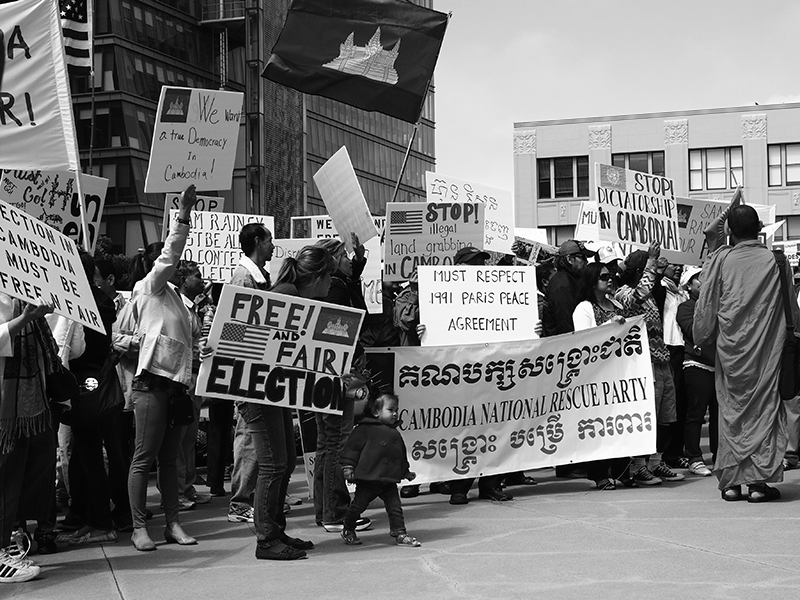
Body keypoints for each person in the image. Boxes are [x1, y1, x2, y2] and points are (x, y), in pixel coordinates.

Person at [232, 245, 334, 560]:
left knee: (286, 462)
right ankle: (266, 540)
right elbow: (243, 333)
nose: (333, 282)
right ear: (318, 277)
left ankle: (276, 530)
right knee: (273, 464)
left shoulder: (295, 296)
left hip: (272, 390)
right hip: (257, 391)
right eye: (330, 275)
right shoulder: (285, 296)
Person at [694, 205, 798, 502]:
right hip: (767, 350)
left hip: (730, 353)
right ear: (761, 228)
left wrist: (702, 337)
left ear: (729, 231)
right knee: (764, 412)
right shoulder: (777, 260)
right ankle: (757, 484)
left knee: (730, 414)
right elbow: (792, 307)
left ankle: (730, 483)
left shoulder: (721, 260)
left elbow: (705, 307)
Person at [116, 184, 199, 551]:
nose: (181, 267)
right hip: (151, 383)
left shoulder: (181, 300)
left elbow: (190, 341)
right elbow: (170, 253)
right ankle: (138, 527)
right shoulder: (150, 287)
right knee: (144, 457)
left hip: (178, 386)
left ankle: (172, 524)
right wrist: (183, 216)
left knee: (169, 460)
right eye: (178, 265)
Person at [312, 236, 373, 531]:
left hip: (328, 371)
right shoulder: (335, 288)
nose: (350, 260)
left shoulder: (334, 284)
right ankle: (335, 512)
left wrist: (358, 266)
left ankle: (325, 509)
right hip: (339, 371)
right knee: (338, 441)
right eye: (346, 256)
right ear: (333, 260)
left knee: (327, 442)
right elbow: (351, 322)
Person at [614, 243, 684, 486]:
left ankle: (656, 461)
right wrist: (651, 264)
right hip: (644, 363)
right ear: (638, 270)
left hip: (661, 359)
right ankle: (639, 465)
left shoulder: (649, 292)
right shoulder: (622, 293)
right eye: (647, 267)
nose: (653, 271)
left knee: (666, 415)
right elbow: (636, 298)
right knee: (649, 415)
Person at [0, 295, 56, 583]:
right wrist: (24, 320)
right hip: (6, 409)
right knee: (4, 480)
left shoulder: (20, 293)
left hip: (23, 407)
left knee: (16, 479)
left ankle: (6, 544)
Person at [572, 262, 637, 490]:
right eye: (603, 277)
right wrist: (610, 326)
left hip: (619, 373)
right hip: (597, 377)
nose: (609, 280)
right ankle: (599, 474)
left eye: (610, 276)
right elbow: (583, 343)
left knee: (620, 423)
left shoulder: (616, 303)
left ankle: (621, 470)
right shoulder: (584, 309)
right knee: (600, 425)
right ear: (591, 282)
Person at [227, 223, 273, 526]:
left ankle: (257, 495)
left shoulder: (259, 277)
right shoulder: (244, 278)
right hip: (248, 367)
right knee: (249, 434)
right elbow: (238, 326)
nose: (272, 247)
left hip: (258, 365)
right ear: (258, 242)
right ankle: (241, 502)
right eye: (270, 241)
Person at [339, 392, 421, 547]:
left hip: (388, 480)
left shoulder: (393, 432)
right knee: (358, 506)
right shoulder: (364, 429)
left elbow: (398, 455)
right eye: (390, 410)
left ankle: (400, 533)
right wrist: (348, 466)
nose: (395, 413)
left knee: (395, 508)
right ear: (376, 412)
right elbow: (352, 449)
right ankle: (348, 528)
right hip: (369, 479)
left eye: (396, 410)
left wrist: (405, 472)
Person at [675, 267, 717, 477]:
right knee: (696, 414)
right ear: (689, 286)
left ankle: (720, 457)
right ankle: (694, 457)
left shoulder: (718, 305)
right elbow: (694, 332)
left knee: (719, 415)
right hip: (697, 365)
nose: (704, 282)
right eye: (698, 279)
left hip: (719, 366)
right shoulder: (685, 307)